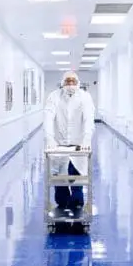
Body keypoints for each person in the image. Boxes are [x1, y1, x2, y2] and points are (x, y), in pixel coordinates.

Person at [44, 71, 95, 212]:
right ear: (62, 83)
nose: (70, 84)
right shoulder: (54, 97)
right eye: (68, 81)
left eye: (73, 81)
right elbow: (48, 117)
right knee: (59, 178)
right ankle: (62, 204)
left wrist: (86, 139)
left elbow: (88, 119)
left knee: (76, 176)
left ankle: (77, 204)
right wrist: (49, 137)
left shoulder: (85, 97)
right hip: (59, 145)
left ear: (78, 83)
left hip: (78, 146)